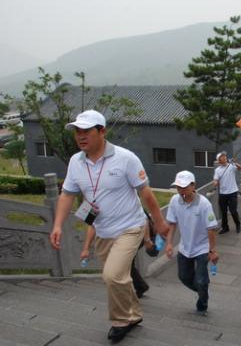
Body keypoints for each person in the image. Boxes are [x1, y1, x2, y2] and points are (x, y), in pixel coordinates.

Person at [49, 110, 169, 343]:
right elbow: (66, 195)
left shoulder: (126, 158)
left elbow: (145, 192)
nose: (80, 136)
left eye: (86, 131)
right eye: (77, 132)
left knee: (112, 275)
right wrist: (57, 226)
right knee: (118, 277)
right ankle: (133, 313)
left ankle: (121, 321)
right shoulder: (76, 161)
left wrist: (159, 221)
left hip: (130, 226)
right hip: (102, 230)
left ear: (102, 131)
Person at [165, 171, 219, 314]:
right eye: (178, 187)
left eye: (184, 187)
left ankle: (202, 304)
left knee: (201, 280)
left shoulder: (204, 204)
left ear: (193, 185)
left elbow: (211, 229)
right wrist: (169, 243)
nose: (181, 190)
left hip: (202, 248)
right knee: (184, 277)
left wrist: (212, 251)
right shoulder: (174, 201)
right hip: (184, 247)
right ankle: (203, 289)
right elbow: (172, 224)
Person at [213, 151, 241, 234]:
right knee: (223, 212)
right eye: (222, 157)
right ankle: (225, 227)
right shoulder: (217, 170)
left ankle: (238, 225)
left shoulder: (231, 166)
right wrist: (215, 182)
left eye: (225, 156)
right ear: (219, 160)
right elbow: (215, 180)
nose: (224, 157)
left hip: (232, 192)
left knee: (233, 210)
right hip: (223, 193)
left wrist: (235, 163)